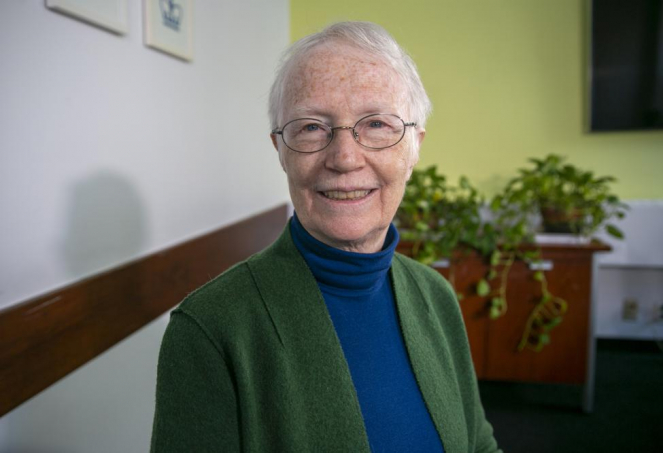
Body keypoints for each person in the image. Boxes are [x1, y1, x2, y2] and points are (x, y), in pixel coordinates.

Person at [151, 21, 501, 453]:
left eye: (375, 124)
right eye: (312, 127)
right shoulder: (211, 329)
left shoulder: (436, 296)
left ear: (414, 147)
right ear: (280, 150)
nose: (345, 158)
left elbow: (479, 445)